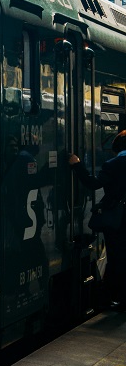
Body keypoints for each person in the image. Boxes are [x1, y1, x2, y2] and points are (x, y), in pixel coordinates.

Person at [68, 131, 126, 311]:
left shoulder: (114, 164)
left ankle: (111, 298)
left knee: (116, 258)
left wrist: (77, 165)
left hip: (118, 220)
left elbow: (93, 184)